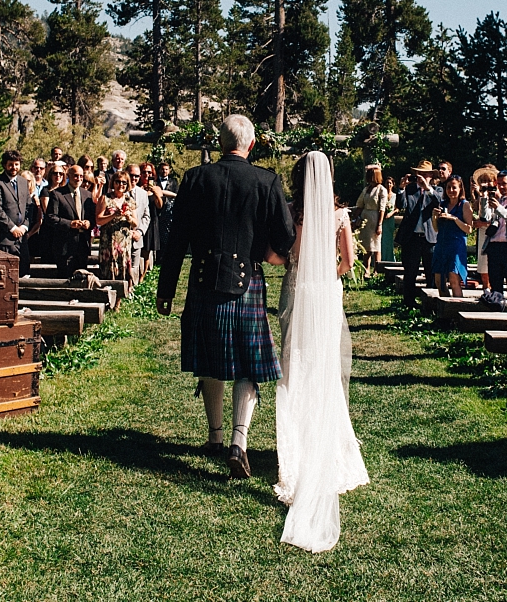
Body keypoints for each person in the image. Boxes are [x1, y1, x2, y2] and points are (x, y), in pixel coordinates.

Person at [155, 114, 295, 481]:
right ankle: (238, 442)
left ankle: (213, 436)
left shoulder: (195, 178)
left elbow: (176, 241)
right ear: (251, 144)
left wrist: (165, 290)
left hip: (203, 282)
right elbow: (285, 236)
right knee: (248, 365)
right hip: (247, 283)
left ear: (220, 143)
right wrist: (269, 253)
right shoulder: (266, 180)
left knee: (209, 358)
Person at [269, 151, 368, 553]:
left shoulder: (294, 211)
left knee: (296, 367)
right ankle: (325, 443)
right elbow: (350, 259)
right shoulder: (340, 215)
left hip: (296, 290)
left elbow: (287, 255)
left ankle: (299, 446)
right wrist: (329, 277)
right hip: (326, 293)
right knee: (324, 366)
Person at [395, 162, 440, 308]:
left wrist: (427, 188)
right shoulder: (410, 189)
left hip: (429, 237)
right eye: (419, 173)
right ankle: (409, 302)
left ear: (431, 175)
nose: (422, 176)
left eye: (426, 174)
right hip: (412, 237)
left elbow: (439, 203)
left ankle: (431, 303)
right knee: (410, 271)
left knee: (431, 272)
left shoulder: (437, 190)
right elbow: (401, 206)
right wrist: (401, 188)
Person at [0, 149, 38, 276]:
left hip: (21, 239)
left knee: (23, 272)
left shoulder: (23, 182)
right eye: (10, 164)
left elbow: (28, 207)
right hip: (4, 238)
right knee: (4, 275)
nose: (14, 167)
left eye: (16, 164)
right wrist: (12, 228)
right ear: (4, 165)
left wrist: (24, 226)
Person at [45, 164, 96, 279]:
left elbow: (93, 217)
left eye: (81, 176)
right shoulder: (57, 194)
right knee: (65, 278)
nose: (79, 179)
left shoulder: (87, 195)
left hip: (82, 245)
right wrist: (70, 224)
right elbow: (50, 217)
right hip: (65, 246)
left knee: (82, 279)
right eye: (76, 176)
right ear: (68, 176)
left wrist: (89, 223)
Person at [479, 171, 507, 299]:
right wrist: (484, 198)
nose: (501, 187)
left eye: (504, 184)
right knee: (496, 287)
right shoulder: (496, 200)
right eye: (499, 184)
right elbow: (485, 218)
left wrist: (499, 209)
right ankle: (496, 310)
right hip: (494, 247)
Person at [431, 175, 472, 297]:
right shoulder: (442, 204)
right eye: (448, 187)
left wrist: (454, 218)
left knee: (454, 280)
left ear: (460, 189)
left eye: (454, 187)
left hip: (456, 246)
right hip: (441, 245)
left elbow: (469, 229)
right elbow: (436, 228)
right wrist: (434, 217)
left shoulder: (464, 205)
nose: (451, 190)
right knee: (439, 280)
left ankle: (456, 309)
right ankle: (446, 310)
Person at [94, 170, 138, 283]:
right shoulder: (105, 198)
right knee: (107, 273)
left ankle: (119, 299)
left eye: (124, 182)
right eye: (118, 182)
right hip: (108, 243)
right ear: (113, 183)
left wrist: (129, 218)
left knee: (122, 273)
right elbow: (98, 220)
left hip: (124, 244)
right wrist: (113, 215)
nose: (121, 185)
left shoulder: (130, 200)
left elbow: (135, 223)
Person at [355, 165, 387, 276]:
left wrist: (379, 224)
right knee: (366, 246)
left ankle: (377, 270)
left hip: (375, 218)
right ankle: (366, 269)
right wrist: (356, 218)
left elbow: (382, 208)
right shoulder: (366, 189)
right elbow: (360, 204)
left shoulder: (382, 190)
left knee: (376, 245)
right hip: (365, 218)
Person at [155, 160, 180, 252]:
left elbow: (176, 194)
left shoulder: (173, 182)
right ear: (159, 170)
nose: (164, 171)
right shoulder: (154, 182)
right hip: (157, 208)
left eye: (166, 169)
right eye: (162, 169)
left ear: (169, 171)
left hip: (169, 209)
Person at [380, 176, 398, 262]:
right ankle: (381, 258)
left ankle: (390, 258)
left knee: (389, 240)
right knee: (381, 240)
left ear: (393, 184)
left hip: (390, 220)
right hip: (382, 220)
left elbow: (397, 208)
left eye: (390, 183)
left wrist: (391, 213)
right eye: (387, 183)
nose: (389, 185)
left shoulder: (395, 195)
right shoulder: (382, 195)